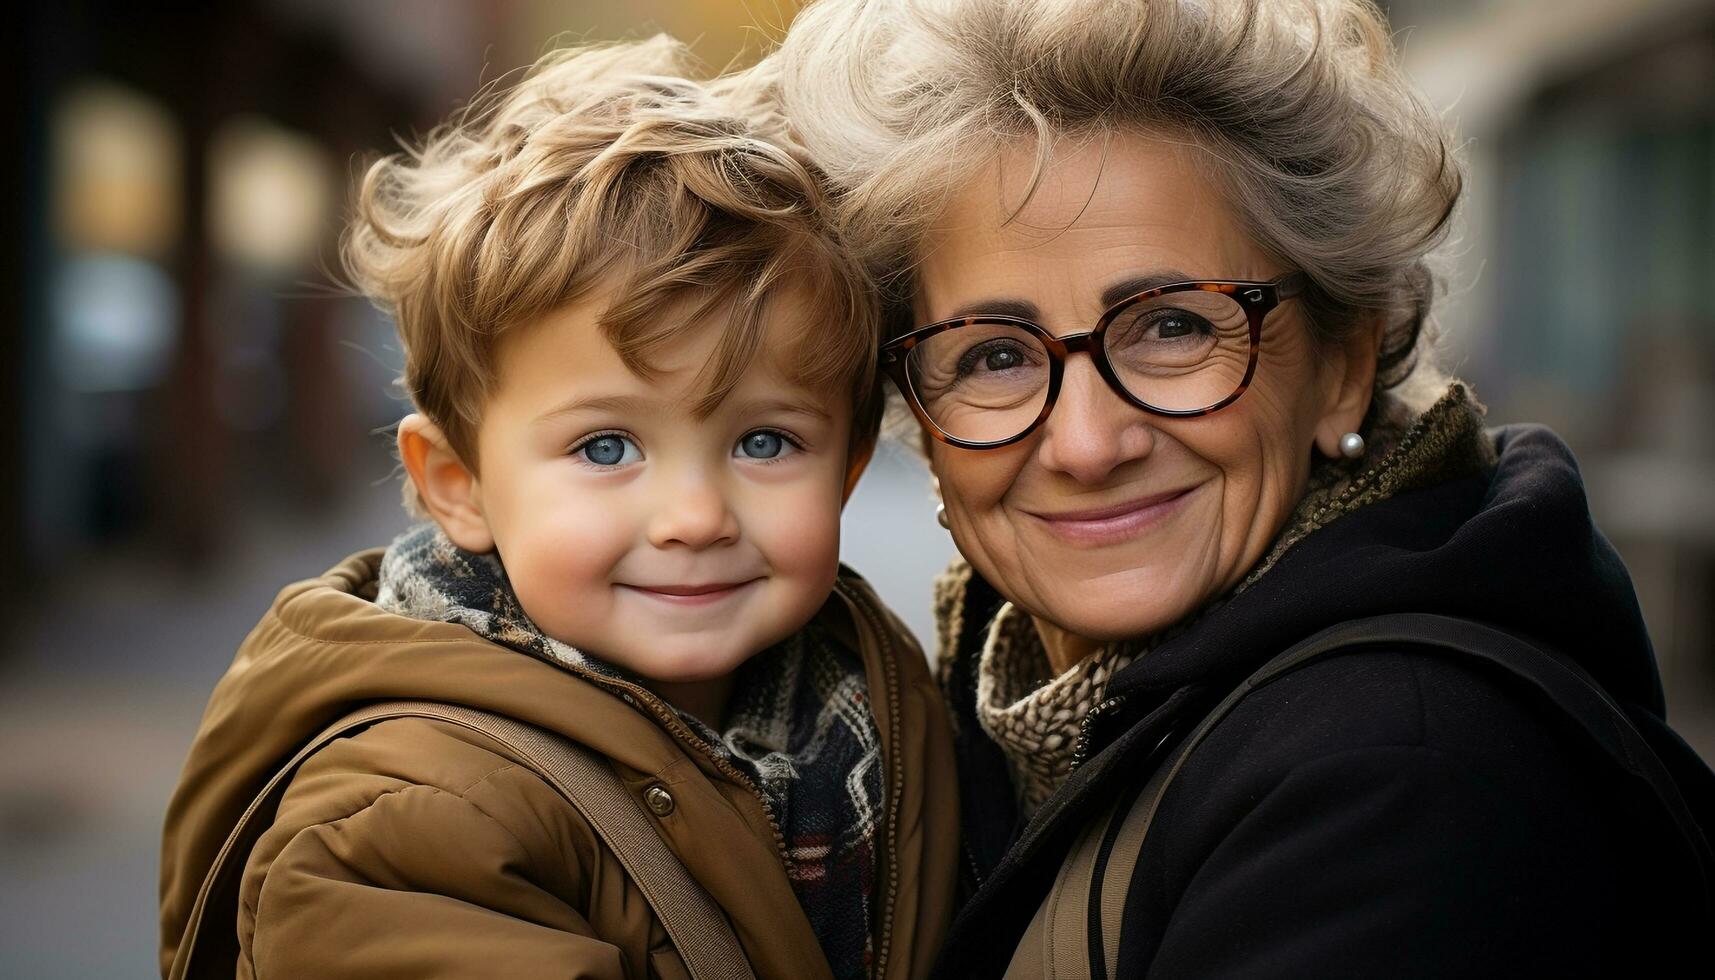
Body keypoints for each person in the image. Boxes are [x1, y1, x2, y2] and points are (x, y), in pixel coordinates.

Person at [768, 0, 1711, 974]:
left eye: (1171, 326)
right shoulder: (950, 735)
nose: (1086, 443)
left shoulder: (1398, 778)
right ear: (918, 417)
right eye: (996, 354)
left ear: (1341, 362)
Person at [158, 36, 956, 979]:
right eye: (605, 448)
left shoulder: (873, 717)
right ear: (458, 485)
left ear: (848, 466)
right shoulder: (409, 826)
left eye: (764, 442)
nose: (694, 517)